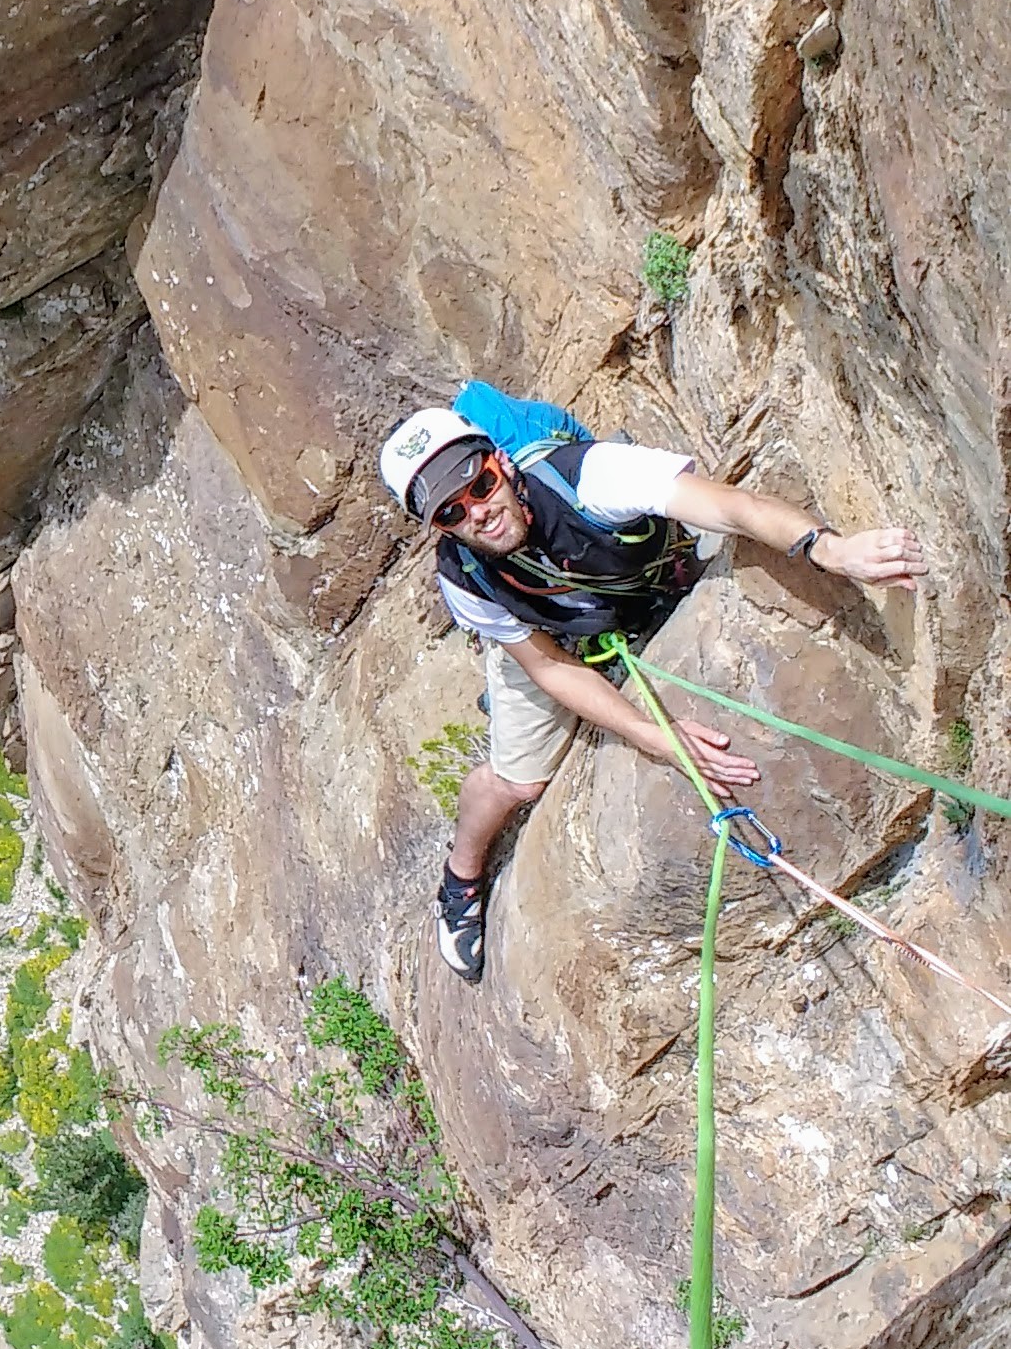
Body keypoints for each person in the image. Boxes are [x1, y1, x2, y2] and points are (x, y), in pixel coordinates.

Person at [377, 401, 927, 982]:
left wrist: (829, 550)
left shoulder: (587, 476)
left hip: (641, 574)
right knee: (519, 780)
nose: (478, 514)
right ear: (439, 527)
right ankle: (461, 877)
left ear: (502, 464)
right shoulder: (465, 575)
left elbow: (732, 508)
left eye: (481, 484)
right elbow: (549, 669)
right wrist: (654, 737)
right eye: (452, 513)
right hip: (544, 635)